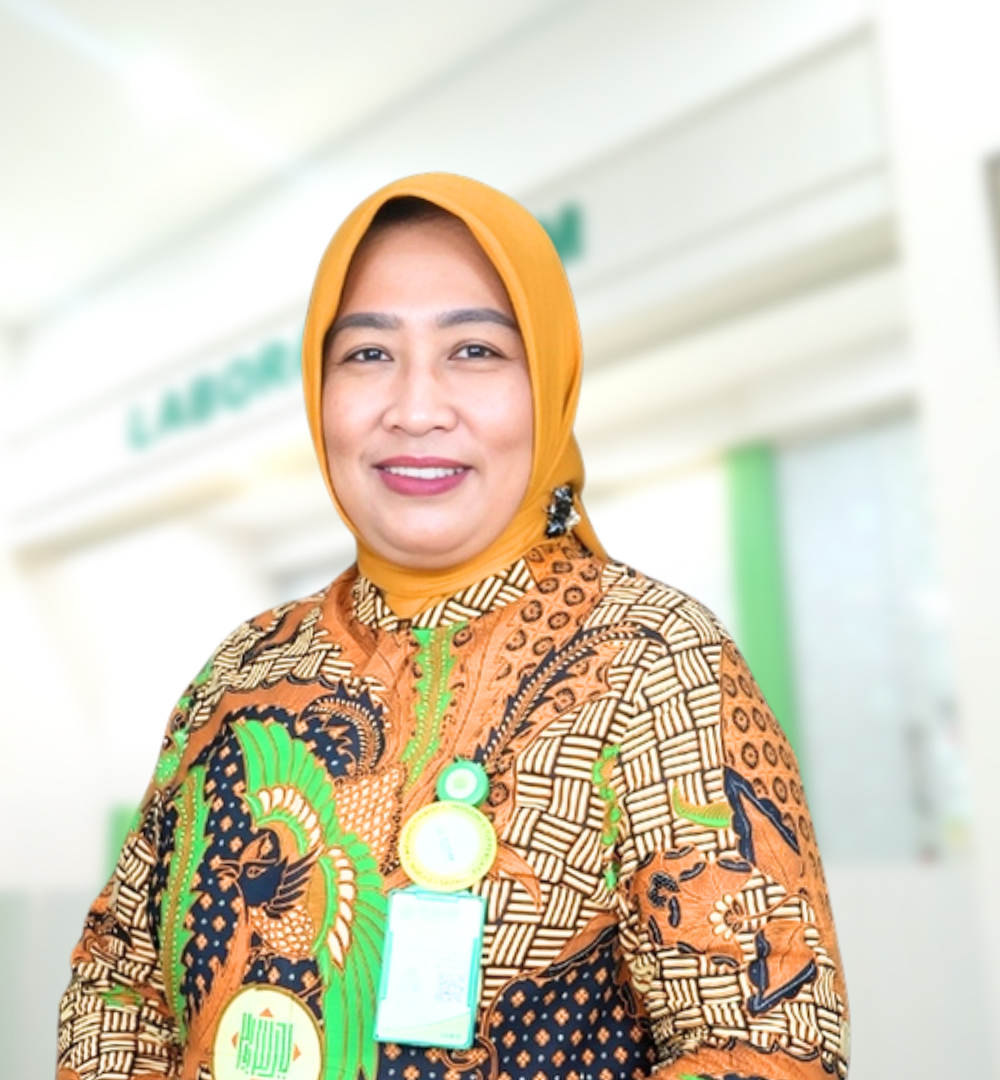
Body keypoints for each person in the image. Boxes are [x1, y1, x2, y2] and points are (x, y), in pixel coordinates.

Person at [58, 173, 850, 1080]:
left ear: (547, 383)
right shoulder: (244, 668)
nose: (416, 408)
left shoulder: (654, 659)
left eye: (474, 350)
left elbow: (769, 1046)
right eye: (368, 354)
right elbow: (118, 981)